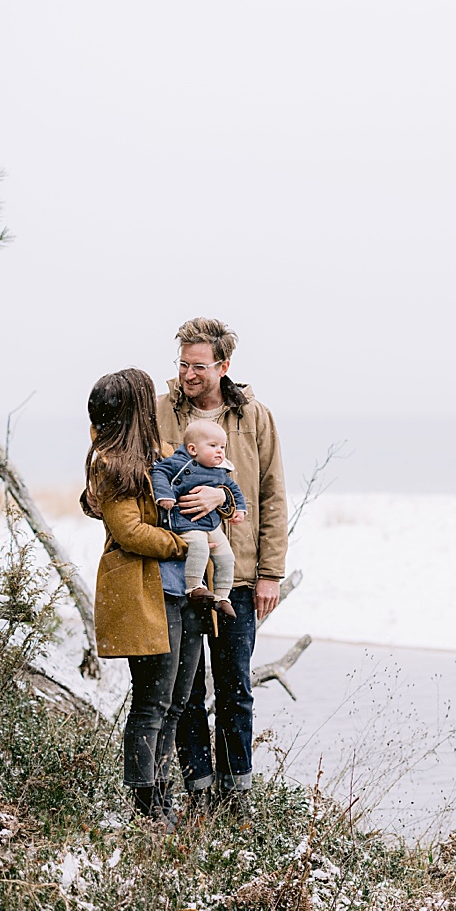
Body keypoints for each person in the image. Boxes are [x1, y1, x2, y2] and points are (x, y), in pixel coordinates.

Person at [157, 318, 287, 814]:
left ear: (224, 366)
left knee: (235, 688)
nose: (188, 374)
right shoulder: (162, 412)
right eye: (183, 364)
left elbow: (272, 495)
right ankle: (198, 792)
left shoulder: (255, 417)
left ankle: (237, 800)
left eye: (199, 366)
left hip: (240, 574)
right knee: (185, 690)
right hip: (178, 576)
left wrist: (271, 572)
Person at [82, 368, 207, 830]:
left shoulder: (163, 458)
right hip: (147, 593)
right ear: (138, 409)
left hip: (185, 593)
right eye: (148, 398)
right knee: (152, 704)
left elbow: (206, 494)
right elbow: (129, 532)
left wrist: (218, 500)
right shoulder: (112, 465)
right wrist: (184, 544)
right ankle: (146, 802)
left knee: (177, 702)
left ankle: (163, 795)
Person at [152, 419, 248, 619]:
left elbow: (233, 488)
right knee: (199, 547)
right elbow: (159, 472)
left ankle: (222, 597)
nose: (220, 452)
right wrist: (166, 495)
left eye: (222, 447)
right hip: (186, 521)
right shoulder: (178, 462)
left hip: (211, 524)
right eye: (213, 446)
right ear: (193, 449)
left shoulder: (220, 470)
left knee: (227, 556)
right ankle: (194, 587)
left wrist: (239, 508)